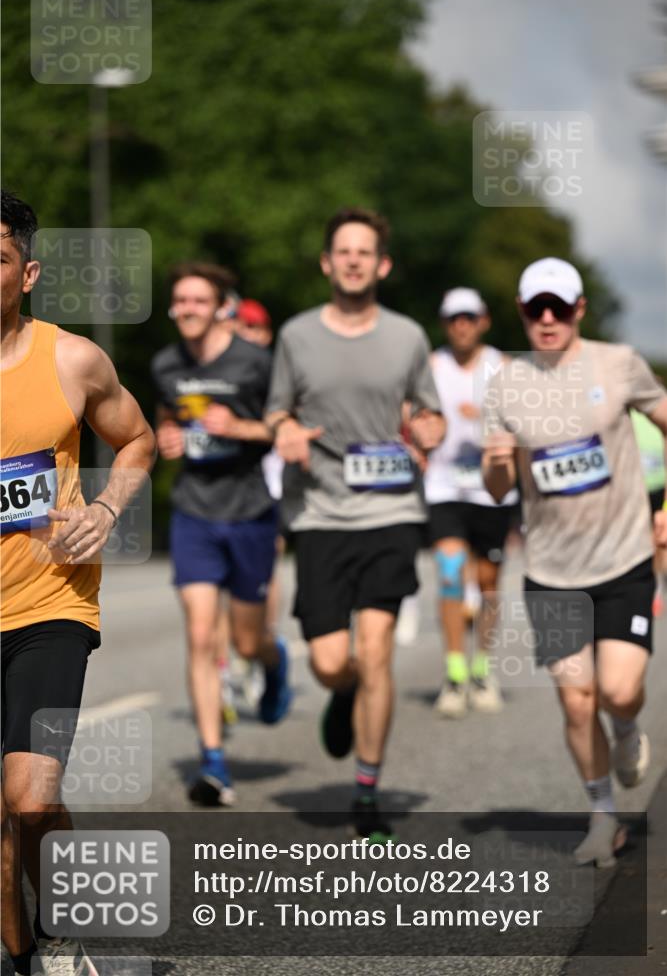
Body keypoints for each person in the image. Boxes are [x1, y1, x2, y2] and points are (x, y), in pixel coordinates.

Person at [0, 190, 156, 975]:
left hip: (50, 605)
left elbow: (137, 441)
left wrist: (104, 506)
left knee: (29, 798)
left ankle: (60, 933)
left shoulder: (72, 360)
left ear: (25, 273)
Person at [266, 207, 445, 841]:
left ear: (382, 264)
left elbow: (431, 416)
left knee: (375, 652)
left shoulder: (408, 337)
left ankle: (366, 791)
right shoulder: (296, 336)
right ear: (326, 262)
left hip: (391, 510)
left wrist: (429, 429)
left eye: (364, 252)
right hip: (318, 513)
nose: (352, 260)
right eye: (342, 251)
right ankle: (342, 693)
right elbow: (276, 413)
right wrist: (285, 432)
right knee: (330, 661)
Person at [482, 256, 667, 868]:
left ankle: (627, 728)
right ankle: (603, 818)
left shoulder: (618, 365)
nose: (548, 318)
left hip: (622, 560)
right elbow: (495, 487)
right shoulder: (506, 382)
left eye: (559, 307)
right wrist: (501, 460)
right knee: (575, 698)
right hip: (552, 573)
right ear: (522, 311)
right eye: (536, 307)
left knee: (617, 690)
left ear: (579, 309)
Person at [151, 263, 290, 809]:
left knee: (247, 641)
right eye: (179, 300)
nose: (187, 309)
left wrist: (240, 429)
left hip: (251, 510)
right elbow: (169, 418)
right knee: (202, 635)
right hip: (195, 513)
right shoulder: (166, 364)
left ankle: (273, 661)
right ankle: (213, 761)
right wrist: (169, 438)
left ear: (220, 307)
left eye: (197, 301)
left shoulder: (256, 363)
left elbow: (284, 427)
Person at [425, 287, 519, 718]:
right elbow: (411, 415)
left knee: (487, 584)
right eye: (452, 318)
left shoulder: (502, 367)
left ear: (483, 320)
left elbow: (523, 423)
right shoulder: (430, 366)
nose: (460, 325)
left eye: (468, 317)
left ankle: (482, 668)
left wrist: (484, 421)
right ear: (445, 323)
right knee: (448, 572)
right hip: (445, 487)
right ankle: (454, 672)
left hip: (492, 491)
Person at [631, 408, 666, 616]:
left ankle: (656, 586)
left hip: (658, 487)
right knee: (639, 540)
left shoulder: (657, 412)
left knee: (657, 542)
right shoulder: (626, 409)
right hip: (634, 490)